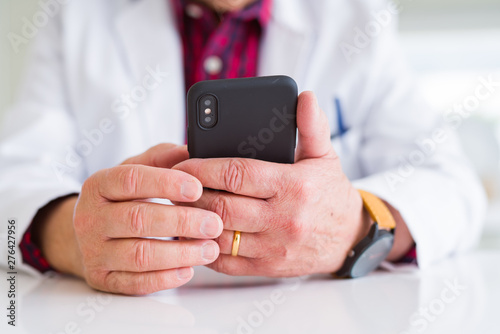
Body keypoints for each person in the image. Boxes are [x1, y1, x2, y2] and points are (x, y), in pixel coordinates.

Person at [0, 0, 486, 295]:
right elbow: (12, 184)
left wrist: (353, 225)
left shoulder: (355, 17)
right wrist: (70, 236)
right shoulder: (77, 14)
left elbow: (454, 187)